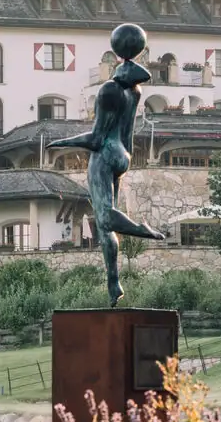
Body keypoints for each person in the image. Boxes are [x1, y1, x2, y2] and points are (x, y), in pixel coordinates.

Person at [48, 22, 168, 305]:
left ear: (116, 56)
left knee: (104, 217)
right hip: (123, 155)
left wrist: (63, 143)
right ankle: (114, 283)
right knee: (106, 228)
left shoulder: (109, 91)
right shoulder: (134, 91)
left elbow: (97, 137)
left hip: (105, 155)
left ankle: (141, 228)